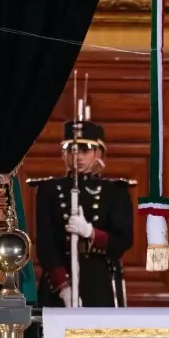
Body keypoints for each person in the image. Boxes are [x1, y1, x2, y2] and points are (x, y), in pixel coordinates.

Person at [30, 119, 134, 307]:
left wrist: (90, 233)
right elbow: (45, 244)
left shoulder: (114, 191)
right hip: (59, 282)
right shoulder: (49, 190)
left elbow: (123, 240)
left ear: (98, 153)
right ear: (64, 154)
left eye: (85, 150)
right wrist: (63, 287)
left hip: (99, 280)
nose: (77, 156)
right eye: (72, 150)